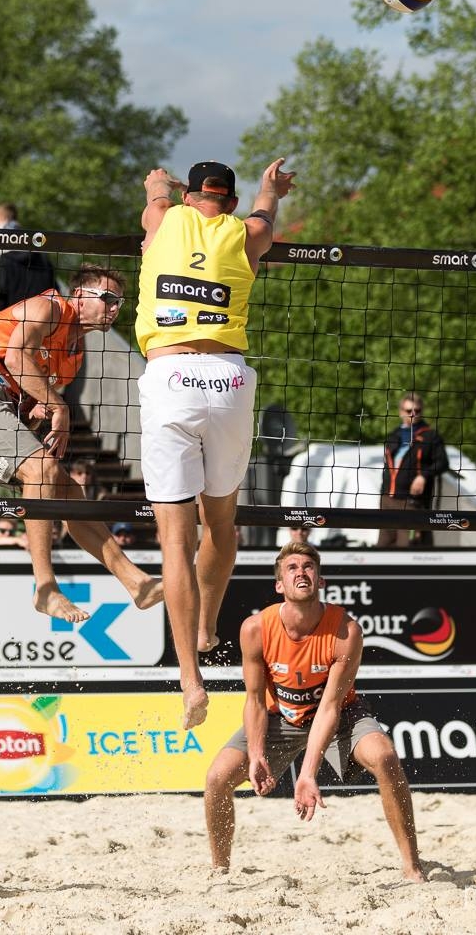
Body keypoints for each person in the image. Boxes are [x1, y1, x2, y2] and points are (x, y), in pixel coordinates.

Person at [137, 157, 295, 727]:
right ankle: (207, 627)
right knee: (222, 524)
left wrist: (161, 186)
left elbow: (155, 190)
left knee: (175, 542)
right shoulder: (247, 233)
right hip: (228, 382)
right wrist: (269, 190)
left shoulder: (163, 218)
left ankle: (190, 678)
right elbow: (265, 214)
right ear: (228, 201)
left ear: (189, 197)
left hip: (171, 376)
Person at [0, 264, 164, 623]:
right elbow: (15, 356)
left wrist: (37, 409)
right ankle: (45, 588)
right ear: (79, 295)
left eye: (119, 302)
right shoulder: (49, 307)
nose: (115, 308)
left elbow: (27, 410)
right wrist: (58, 406)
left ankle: (137, 583)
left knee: (67, 491)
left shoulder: (74, 356)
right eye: (108, 298)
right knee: (43, 468)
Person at [203, 542, 424, 879]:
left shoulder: (346, 630)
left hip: (340, 715)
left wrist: (307, 774)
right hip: (281, 715)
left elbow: (330, 707)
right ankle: (220, 872)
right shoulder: (255, 628)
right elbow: (255, 700)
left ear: (320, 581)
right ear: (279, 585)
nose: (301, 572)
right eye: (292, 568)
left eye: (308, 567)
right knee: (217, 778)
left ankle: (412, 866)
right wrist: (257, 754)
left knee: (385, 757)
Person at [376, 392, 449, 548]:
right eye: (409, 410)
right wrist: (383, 493)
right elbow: (388, 468)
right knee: (383, 546)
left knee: (408, 547)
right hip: (388, 499)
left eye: (417, 410)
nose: (413, 414)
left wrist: (423, 476)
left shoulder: (431, 436)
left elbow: (442, 462)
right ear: (401, 412)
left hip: (412, 502)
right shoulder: (393, 435)